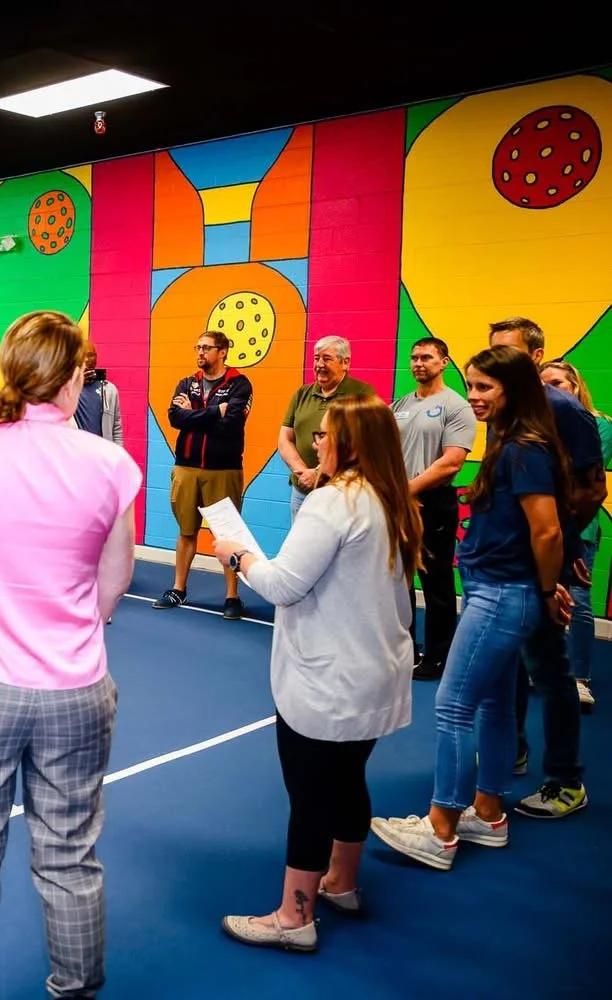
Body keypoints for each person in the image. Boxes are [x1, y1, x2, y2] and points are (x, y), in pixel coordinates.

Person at [0, 310, 139, 999]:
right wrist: (65, 630)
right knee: (71, 858)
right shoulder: (111, 464)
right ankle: (77, 991)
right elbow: (113, 585)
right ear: (76, 375)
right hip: (76, 689)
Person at [213, 395, 418, 952]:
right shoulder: (389, 498)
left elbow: (283, 584)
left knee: (309, 797)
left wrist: (236, 556)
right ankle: (341, 882)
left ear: (349, 444)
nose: (315, 443)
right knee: (347, 780)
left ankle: (293, 918)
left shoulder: (332, 502)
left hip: (332, 680)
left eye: (325, 435)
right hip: (374, 671)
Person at [371, 347, 569, 870]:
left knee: (453, 705)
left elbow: (547, 528)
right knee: (496, 707)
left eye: (485, 388)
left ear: (514, 390)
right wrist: (542, 583)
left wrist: (547, 589)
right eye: (472, 386)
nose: (475, 397)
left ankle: (441, 828)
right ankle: (489, 812)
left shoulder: (523, 448)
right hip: (505, 585)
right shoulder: (513, 441)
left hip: (501, 592)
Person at [488, 318, 602, 818]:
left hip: (542, 561)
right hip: (506, 564)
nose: (494, 363)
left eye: (506, 352)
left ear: (535, 357)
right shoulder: (501, 408)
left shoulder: (565, 411)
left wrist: (561, 555)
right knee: (507, 667)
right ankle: (510, 749)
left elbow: (589, 489)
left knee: (549, 671)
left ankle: (565, 780)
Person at [391, 337, 476, 680]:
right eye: (413, 358)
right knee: (397, 581)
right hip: (397, 504)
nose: (418, 363)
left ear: (443, 362)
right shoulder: (399, 405)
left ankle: (437, 657)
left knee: (436, 584)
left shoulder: (456, 407)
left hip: (433, 504)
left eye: (426, 357)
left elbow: (452, 462)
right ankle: (403, 650)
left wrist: (406, 491)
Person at [153, 330, 252, 619]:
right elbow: (175, 418)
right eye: (198, 347)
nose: (200, 352)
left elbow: (231, 424)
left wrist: (194, 414)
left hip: (224, 469)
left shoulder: (239, 384)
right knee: (186, 532)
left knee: (227, 534)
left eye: (207, 348)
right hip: (185, 467)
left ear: (223, 351)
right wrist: (213, 411)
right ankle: (178, 588)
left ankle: (232, 596)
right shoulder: (187, 382)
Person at [539, 358, 612, 709]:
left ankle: (579, 678)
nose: (550, 390)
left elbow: (580, 477)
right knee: (539, 596)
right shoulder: (536, 427)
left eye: (558, 383)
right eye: (544, 384)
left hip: (577, 527)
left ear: (576, 386)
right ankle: (542, 667)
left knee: (579, 600)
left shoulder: (598, 424)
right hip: (537, 526)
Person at [277, 336, 373, 521]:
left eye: (326, 358)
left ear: (345, 363)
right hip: (301, 490)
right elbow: (284, 438)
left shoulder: (362, 394)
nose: (319, 364)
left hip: (340, 492)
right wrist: (303, 472)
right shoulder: (302, 393)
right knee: (302, 545)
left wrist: (318, 473)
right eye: (316, 358)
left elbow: (363, 442)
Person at [72, 343, 123, 446]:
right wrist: (76, 383)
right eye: (82, 355)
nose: (86, 359)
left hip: (101, 454)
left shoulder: (109, 390)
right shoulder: (65, 388)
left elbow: (116, 429)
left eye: (90, 355)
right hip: (74, 453)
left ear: (96, 358)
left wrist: (117, 453)